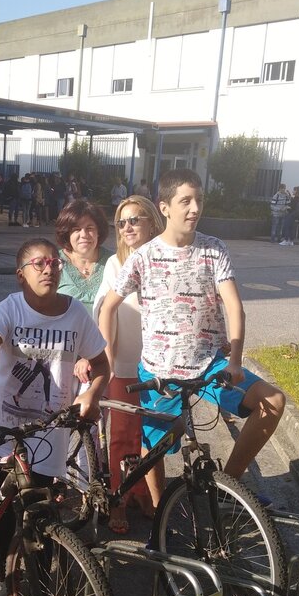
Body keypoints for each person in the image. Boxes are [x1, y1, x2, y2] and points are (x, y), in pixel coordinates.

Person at [98, 169, 286, 510]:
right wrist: (107, 358)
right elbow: (107, 307)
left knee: (272, 401)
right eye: (185, 201)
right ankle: (160, 512)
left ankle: (229, 487)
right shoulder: (143, 256)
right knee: (154, 448)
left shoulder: (214, 249)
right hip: (159, 371)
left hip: (209, 365)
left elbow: (234, 306)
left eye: (199, 200)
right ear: (165, 207)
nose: (195, 208)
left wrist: (236, 361)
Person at [0, 238, 109, 596]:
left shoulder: (76, 314)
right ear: (21, 275)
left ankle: (41, 589)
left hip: (49, 432)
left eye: (54, 263)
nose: (49, 269)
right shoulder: (10, 308)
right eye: (39, 263)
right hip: (1, 427)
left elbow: (101, 364)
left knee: (42, 511)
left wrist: (92, 395)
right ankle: (2, 578)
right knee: (3, 512)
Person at [94, 195, 164, 533]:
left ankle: (142, 491)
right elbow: (104, 310)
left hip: (161, 365)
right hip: (124, 364)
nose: (127, 227)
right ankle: (118, 499)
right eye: (121, 222)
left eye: (135, 219)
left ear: (152, 221)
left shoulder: (167, 257)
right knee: (122, 436)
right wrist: (107, 357)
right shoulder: (116, 264)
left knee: (151, 435)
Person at [56, 199, 113, 310]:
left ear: (98, 232)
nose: (84, 235)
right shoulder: (53, 263)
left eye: (90, 228)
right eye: (76, 229)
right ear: (67, 233)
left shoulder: (114, 261)